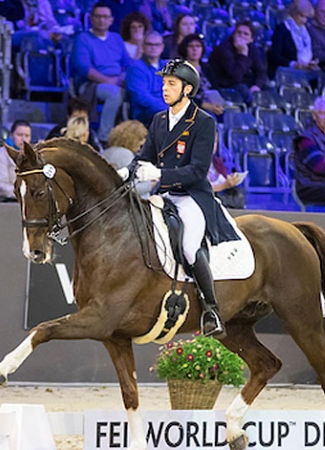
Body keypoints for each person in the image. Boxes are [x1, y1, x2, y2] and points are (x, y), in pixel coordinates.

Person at [125, 59, 239, 337]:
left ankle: (212, 310)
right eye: (164, 83)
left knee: (189, 246)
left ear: (187, 89)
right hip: (163, 195)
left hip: (191, 197)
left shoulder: (203, 122)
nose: (165, 88)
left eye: (171, 84)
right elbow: (145, 158)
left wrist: (160, 176)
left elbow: (198, 170)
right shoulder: (159, 120)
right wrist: (128, 172)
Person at [70, 2, 131, 144]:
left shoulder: (116, 38)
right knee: (115, 94)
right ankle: (104, 137)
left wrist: (121, 78)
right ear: (91, 18)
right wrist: (109, 81)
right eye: (98, 16)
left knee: (138, 91)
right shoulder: (83, 38)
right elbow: (83, 68)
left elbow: (127, 65)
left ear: (111, 20)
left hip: (117, 81)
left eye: (105, 17)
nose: (102, 20)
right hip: (91, 84)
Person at [209, 20, 268, 106]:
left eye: (246, 34)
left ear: (251, 39)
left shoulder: (252, 48)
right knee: (242, 89)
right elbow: (236, 76)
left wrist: (257, 86)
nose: (241, 36)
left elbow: (261, 71)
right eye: (239, 32)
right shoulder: (224, 49)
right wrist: (243, 54)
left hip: (244, 83)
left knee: (269, 89)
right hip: (225, 85)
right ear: (233, 34)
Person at [268, 0, 319, 78]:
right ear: (294, 13)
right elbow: (275, 55)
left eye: (306, 17)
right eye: (301, 16)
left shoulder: (306, 31)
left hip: (305, 71)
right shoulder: (282, 29)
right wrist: (293, 64)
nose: (304, 20)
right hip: (285, 72)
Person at [178, 34, 224, 118]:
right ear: (185, 49)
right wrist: (205, 105)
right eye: (191, 46)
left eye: (198, 46)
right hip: (192, 107)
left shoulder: (208, 68)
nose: (195, 49)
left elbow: (215, 87)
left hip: (212, 103)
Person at [125, 31, 166, 126]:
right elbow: (142, 97)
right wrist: (168, 109)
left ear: (162, 47)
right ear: (143, 47)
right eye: (149, 44)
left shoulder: (167, 66)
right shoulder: (136, 68)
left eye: (157, 44)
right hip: (145, 114)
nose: (153, 47)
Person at [0, 120, 31, 202]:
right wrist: (25, 192)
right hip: (8, 202)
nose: (23, 139)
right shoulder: (0, 155)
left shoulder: (33, 156)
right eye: (19, 135)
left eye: (27, 136)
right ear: (11, 135)